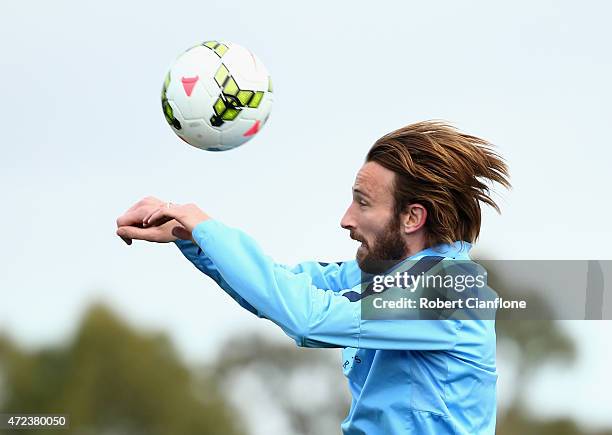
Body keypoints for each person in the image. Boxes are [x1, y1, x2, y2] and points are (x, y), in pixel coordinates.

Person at [116, 120, 511, 435]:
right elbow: (276, 286)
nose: (346, 219)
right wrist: (196, 239)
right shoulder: (382, 277)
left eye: (363, 202)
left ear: (412, 218)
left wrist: (205, 225)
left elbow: (308, 318)